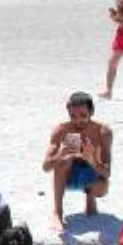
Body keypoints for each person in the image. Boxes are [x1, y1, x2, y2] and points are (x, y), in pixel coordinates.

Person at [42, 92, 113, 233]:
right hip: (69, 175)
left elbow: (107, 172)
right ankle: (57, 212)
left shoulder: (103, 131)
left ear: (91, 112)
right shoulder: (61, 130)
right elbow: (46, 167)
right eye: (73, 116)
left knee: (103, 185)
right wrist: (61, 154)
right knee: (63, 161)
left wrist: (91, 158)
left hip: (92, 174)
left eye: (83, 116)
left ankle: (90, 199)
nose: (77, 121)